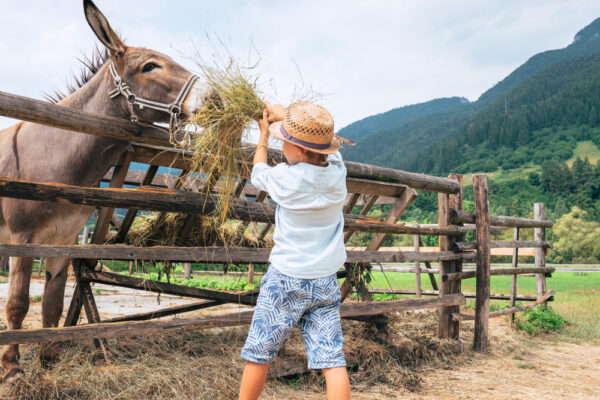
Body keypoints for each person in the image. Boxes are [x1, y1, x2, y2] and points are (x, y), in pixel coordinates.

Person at [238, 102, 352, 400]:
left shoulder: (285, 179)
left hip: (286, 279)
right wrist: (292, 119)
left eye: (284, 140)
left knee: (259, 351)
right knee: (332, 359)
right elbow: (327, 145)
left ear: (299, 151)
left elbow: (258, 170)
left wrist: (263, 135)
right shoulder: (337, 174)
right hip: (326, 280)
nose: (281, 144)